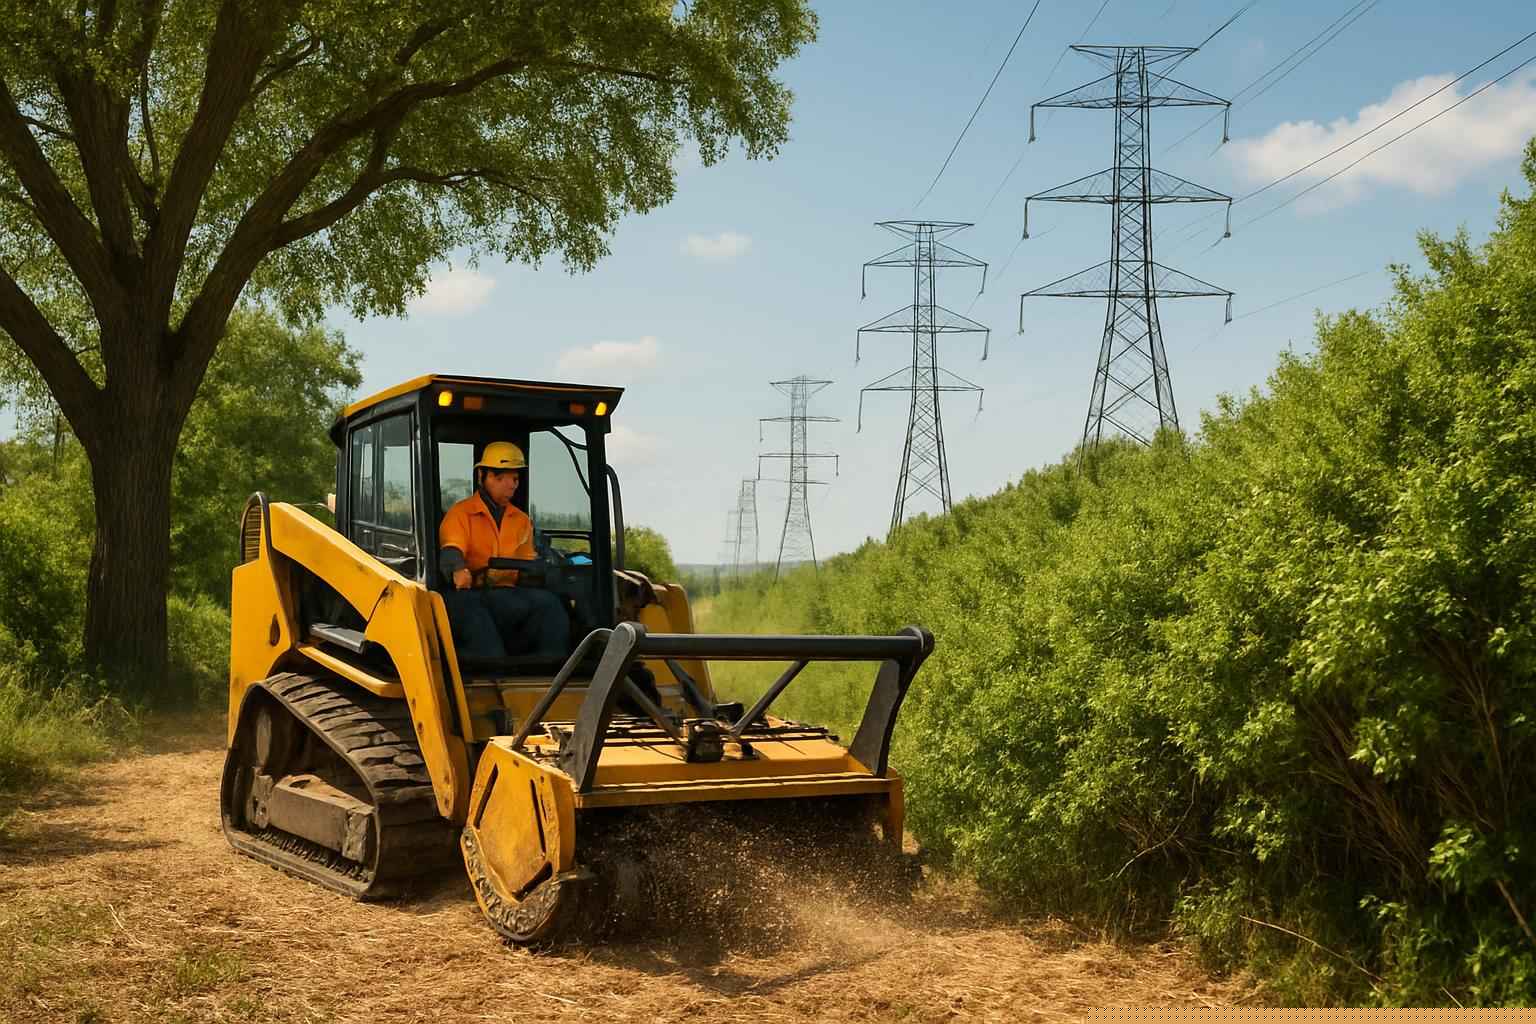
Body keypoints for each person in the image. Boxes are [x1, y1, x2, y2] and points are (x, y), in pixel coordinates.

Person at [438, 441, 568, 659]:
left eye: (515, 479)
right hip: (468, 595)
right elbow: (451, 549)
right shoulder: (460, 514)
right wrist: (458, 569)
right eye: (501, 478)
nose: (511, 486)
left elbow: (528, 562)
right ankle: (491, 670)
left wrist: (543, 573)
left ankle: (551, 671)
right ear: (482, 476)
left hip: (505, 595)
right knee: (476, 621)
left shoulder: (521, 520)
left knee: (550, 605)